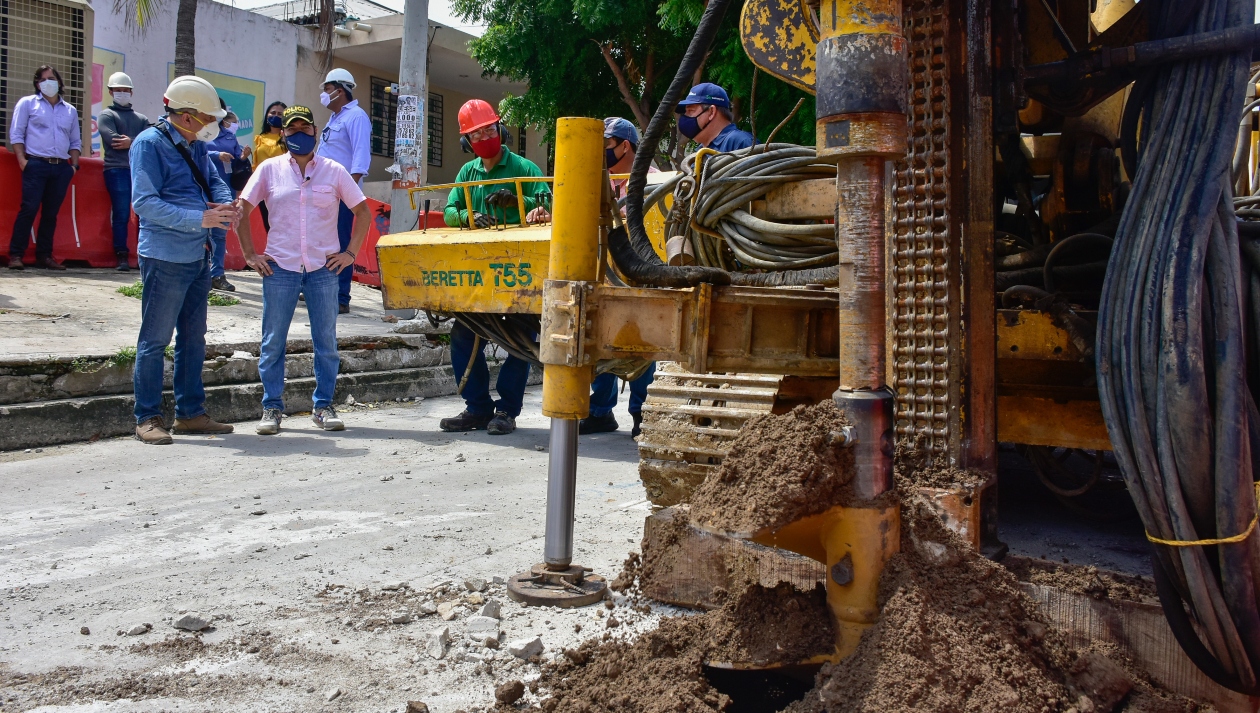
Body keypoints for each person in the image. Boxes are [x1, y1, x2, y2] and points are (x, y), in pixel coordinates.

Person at [236, 105, 369, 435]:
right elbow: (243, 208)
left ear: (314, 132)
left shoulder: (334, 171)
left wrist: (350, 253)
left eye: (305, 129)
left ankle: (323, 406)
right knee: (273, 342)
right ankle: (272, 408)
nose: (299, 134)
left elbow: (363, 213)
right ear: (283, 134)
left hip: (323, 268)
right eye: (291, 129)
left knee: (326, 342)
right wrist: (251, 254)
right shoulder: (269, 170)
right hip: (279, 267)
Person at [128, 75, 238, 445]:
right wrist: (200, 219)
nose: (212, 125)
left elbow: (214, 181)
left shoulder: (194, 146)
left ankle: (191, 414)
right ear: (187, 116)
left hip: (197, 255)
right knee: (154, 340)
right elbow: (144, 203)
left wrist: (226, 202)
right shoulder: (148, 145)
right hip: (165, 256)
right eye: (207, 118)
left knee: (193, 338)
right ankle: (147, 417)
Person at [437, 99, 547, 436]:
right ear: (466, 142)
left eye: (489, 128)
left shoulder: (526, 169)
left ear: (500, 130)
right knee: (462, 336)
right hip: (478, 275)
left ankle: (507, 411)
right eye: (476, 133)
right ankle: (478, 408)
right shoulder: (467, 174)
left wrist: (519, 201)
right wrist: (469, 218)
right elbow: (449, 212)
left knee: (522, 339)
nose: (484, 136)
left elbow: (547, 207)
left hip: (518, 273)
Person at [577, 118, 658, 436]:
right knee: (603, 339)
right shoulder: (599, 180)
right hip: (602, 271)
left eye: (606, 145)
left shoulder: (651, 179)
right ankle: (600, 411)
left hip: (639, 271)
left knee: (642, 343)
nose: (601, 152)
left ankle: (641, 412)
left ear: (626, 145)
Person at [6, 65, 81, 271]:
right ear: (37, 84)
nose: (49, 82)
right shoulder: (28, 104)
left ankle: (44, 256)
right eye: (44, 79)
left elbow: (75, 141)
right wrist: (23, 161)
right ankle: (16, 254)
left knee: (51, 213)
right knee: (28, 209)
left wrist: (73, 166)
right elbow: (17, 134)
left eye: (52, 78)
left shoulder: (70, 110)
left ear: (59, 81)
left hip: (61, 168)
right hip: (36, 164)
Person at [315, 68, 371, 314]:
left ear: (341, 90)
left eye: (327, 89)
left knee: (340, 243)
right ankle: (322, 290)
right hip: (322, 193)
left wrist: (349, 191)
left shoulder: (356, 116)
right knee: (323, 242)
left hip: (341, 194)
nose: (324, 94)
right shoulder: (334, 119)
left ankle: (340, 297)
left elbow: (360, 157)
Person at [97, 71, 149, 272]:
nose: (122, 93)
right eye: (118, 90)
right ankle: (121, 255)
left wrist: (131, 141)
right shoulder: (106, 115)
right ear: (110, 92)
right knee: (121, 213)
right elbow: (114, 141)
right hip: (116, 169)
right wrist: (136, 141)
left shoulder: (141, 118)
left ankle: (143, 254)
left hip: (139, 170)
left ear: (132, 93)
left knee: (144, 213)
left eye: (126, 90)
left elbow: (149, 144)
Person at [205, 106, 251, 291]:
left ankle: (217, 274)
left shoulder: (230, 137)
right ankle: (200, 275)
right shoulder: (204, 133)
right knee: (200, 233)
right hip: (204, 187)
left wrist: (242, 157)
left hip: (225, 189)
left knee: (220, 233)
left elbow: (237, 160)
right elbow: (196, 153)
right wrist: (216, 155)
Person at [675, 82, 756, 152]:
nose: (686, 116)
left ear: (711, 112)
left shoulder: (741, 143)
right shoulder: (700, 152)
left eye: (691, 111)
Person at [252, 101, 288, 231]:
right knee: (268, 223)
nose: (275, 116)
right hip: (263, 185)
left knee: (283, 223)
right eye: (273, 113)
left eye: (280, 114)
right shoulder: (260, 138)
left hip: (282, 185)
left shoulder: (288, 138)